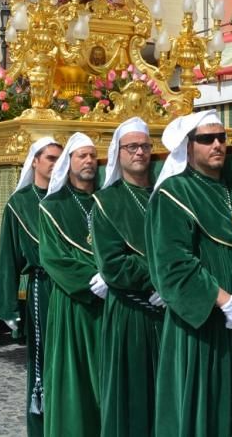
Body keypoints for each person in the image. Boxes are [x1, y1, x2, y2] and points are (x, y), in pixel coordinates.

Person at [146, 110, 232, 436]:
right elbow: (174, 265)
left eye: (222, 137)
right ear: (188, 147)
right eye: (206, 139)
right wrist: (226, 303)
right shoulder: (173, 194)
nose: (217, 144)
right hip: (202, 330)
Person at [90, 118, 164, 437]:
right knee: (132, 400)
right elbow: (114, 266)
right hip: (130, 314)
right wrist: (164, 278)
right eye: (131, 147)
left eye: (145, 146)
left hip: (173, 313)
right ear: (118, 153)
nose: (139, 153)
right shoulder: (106, 202)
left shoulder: (166, 194)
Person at [0, 137, 62, 437]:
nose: (56, 163)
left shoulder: (67, 197)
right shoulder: (20, 203)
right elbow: (8, 257)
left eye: (61, 158)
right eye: (50, 158)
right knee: (43, 361)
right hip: (43, 290)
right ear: (35, 161)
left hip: (78, 293)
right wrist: (7, 305)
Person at [38, 132, 104, 437]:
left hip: (112, 302)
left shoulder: (108, 199)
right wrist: (94, 280)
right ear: (70, 162)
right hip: (74, 304)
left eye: (93, 156)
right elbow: (54, 259)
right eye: (82, 156)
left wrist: (114, 278)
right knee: (76, 379)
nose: (89, 161)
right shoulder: (53, 206)